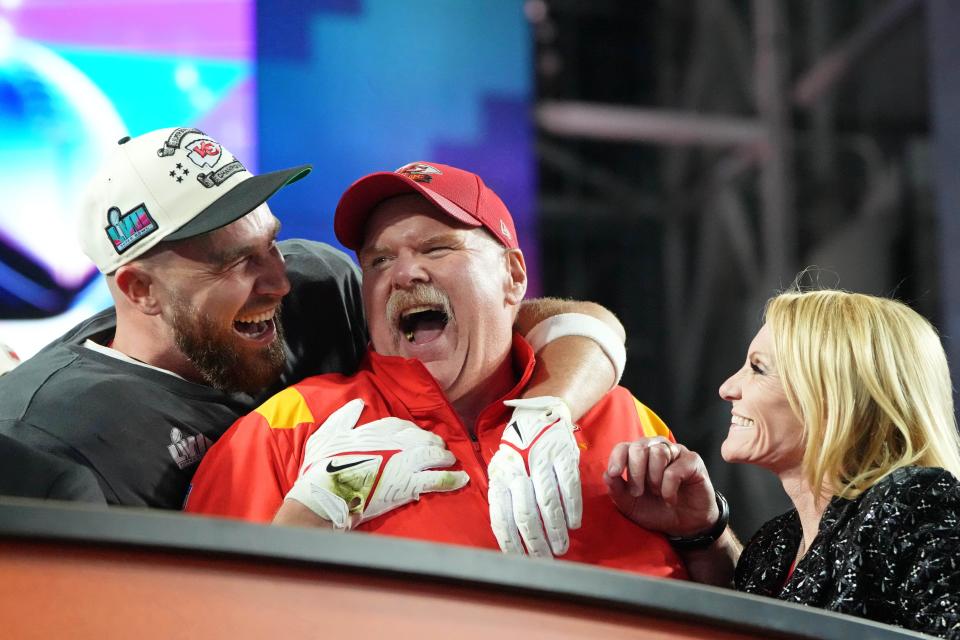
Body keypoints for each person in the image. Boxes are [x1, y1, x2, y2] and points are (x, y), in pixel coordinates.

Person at [0, 128, 625, 511]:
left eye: (269, 241)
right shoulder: (48, 439)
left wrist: (551, 409)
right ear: (141, 290)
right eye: (236, 264)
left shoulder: (317, 285)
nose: (277, 280)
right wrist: (315, 513)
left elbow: (514, 322)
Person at [185, 161, 686, 577]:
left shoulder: (617, 416)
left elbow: (720, 595)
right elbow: (200, 619)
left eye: (436, 248)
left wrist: (706, 534)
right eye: (378, 261)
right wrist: (312, 516)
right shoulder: (284, 432)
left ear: (512, 277)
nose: (404, 273)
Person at [606, 289, 960, 636]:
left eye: (758, 369)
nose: (728, 388)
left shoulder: (915, 501)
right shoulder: (776, 543)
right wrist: (703, 532)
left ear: (831, 395)